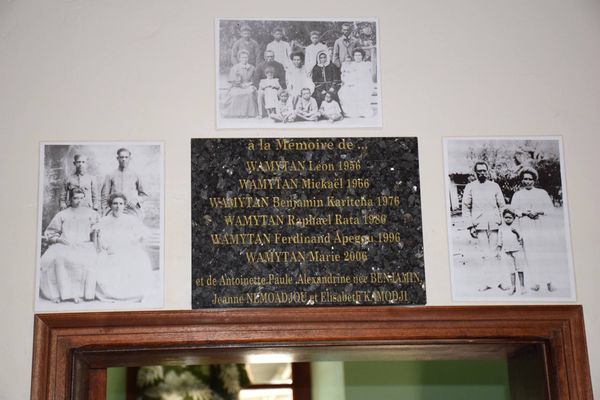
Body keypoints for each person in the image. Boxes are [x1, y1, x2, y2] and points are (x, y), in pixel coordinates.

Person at [39, 188, 98, 304]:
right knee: (57, 259)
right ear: (70, 199)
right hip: (65, 244)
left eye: (81, 198)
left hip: (84, 245)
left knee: (88, 260)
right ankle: (64, 294)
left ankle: (82, 294)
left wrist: (96, 245)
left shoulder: (91, 214)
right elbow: (50, 232)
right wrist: (59, 240)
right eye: (75, 198)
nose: (79, 201)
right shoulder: (63, 214)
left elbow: (97, 231)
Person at [95, 193, 153, 302]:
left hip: (128, 246)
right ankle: (113, 294)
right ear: (110, 205)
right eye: (115, 203)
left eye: (121, 204)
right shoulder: (104, 220)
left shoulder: (130, 219)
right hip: (111, 248)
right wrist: (106, 247)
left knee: (138, 259)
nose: (118, 206)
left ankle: (135, 293)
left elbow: (144, 232)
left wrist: (139, 238)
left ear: (124, 205)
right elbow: (100, 237)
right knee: (109, 262)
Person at [461, 161, 509, 291]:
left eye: (484, 170)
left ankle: (500, 282)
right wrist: (470, 226)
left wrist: (504, 223)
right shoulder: (470, 187)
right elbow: (465, 207)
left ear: (487, 171)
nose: (482, 173)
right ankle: (486, 282)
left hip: (495, 224)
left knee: (497, 254)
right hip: (479, 225)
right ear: (475, 172)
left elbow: (502, 206)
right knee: (483, 255)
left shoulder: (495, 186)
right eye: (479, 171)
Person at [510, 168, 556, 292]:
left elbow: (551, 210)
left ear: (534, 180)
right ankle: (535, 282)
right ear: (522, 180)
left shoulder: (542, 193)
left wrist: (539, 211)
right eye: (525, 179)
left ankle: (549, 282)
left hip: (540, 226)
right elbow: (514, 210)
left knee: (544, 254)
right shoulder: (518, 195)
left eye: (530, 179)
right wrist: (525, 212)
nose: (528, 181)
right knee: (530, 255)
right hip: (526, 227)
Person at [101, 148, 148, 219]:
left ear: (130, 158)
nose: (124, 159)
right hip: (115, 210)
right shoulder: (110, 175)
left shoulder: (136, 175)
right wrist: (104, 211)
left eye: (126, 157)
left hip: (131, 210)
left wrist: (136, 200)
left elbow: (144, 195)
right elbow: (104, 196)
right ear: (117, 158)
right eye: (121, 157)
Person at [496, 208, 527, 295]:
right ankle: (513, 287)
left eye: (510, 217)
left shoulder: (516, 226)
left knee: (520, 269)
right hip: (507, 251)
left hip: (517, 250)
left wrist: (516, 232)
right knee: (511, 270)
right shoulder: (501, 228)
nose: (507, 219)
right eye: (506, 217)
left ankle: (522, 286)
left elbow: (521, 238)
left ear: (513, 218)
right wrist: (498, 251)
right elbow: (500, 240)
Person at [338, 48, 374, 118]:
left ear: (362, 56)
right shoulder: (350, 65)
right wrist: (348, 82)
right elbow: (346, 76)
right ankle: (350, 111)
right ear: (353, 56)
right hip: (352, 83)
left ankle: (361, 111)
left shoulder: (366, 65)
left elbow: (367, 78)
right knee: (343, 91)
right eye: (356, 55)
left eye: (359, 55)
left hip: (363, 84)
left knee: (359, 91)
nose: (357, 57)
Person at [222, 50, 259, 118]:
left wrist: (252, 85)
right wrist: (239, 84)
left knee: (250, 93)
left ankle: (249, 114)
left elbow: (256, 79)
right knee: (235, 94)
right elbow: (232, 80)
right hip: (237, 86)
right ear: (239, 58)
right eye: (242, 57)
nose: (244, 59)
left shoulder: (252, 68)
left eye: (246, 57)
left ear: (248, 58)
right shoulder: (235, 68)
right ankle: (235, 114)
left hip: (249, 85)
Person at [254, 50, 287, 117]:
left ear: (274, 57)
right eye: (268, 56)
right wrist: (260, 88)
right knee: (260, 94)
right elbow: (256, 79)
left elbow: (282, 79)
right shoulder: (260, 66)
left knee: (278, 93)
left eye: (271, 56)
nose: (270, 58)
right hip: (264, 86)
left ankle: (278, 112)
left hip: (276, 86)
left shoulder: (279, 65)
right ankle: (261, 114)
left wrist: (280, 88)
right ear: (264, 57)